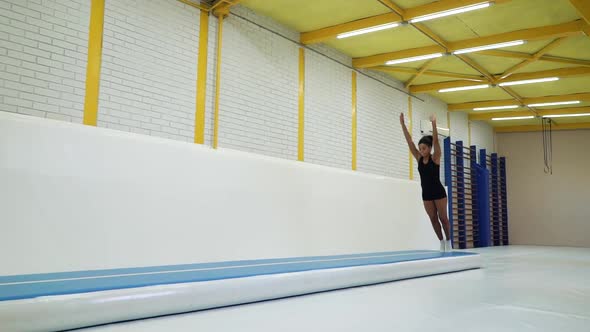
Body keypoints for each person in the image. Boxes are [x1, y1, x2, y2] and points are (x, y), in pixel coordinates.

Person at [400, 113, 452, 252]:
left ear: (429, 148)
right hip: (427, 194)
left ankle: (449, 241)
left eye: (424, 148)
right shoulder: (418, 158)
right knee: (433, 219)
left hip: (439, 193)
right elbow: (410, 142)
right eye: (420, 148)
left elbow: (435, 141)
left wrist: (434, 124)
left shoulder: (435, 158)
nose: (421, 151)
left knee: (443, 218)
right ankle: (441, 242)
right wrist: (403, 125)